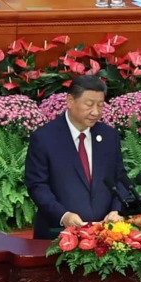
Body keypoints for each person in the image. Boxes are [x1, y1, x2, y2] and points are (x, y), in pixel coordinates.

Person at [24, 74, 128, 238]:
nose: (95, 112)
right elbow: (37, 185)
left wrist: (117, 209)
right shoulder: (44, 138)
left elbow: (120, 179)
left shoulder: (109, 136)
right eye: (89, 104)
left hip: (104, 235)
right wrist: (63, 215)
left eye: (100, 105)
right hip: (58, 235)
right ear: (70, 101)